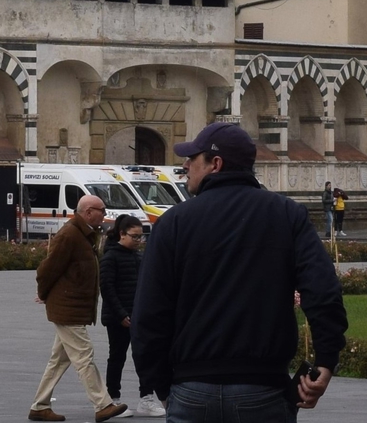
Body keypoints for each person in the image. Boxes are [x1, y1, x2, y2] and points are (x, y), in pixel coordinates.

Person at [134, 122, 347, 422]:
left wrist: (161, 385)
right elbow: (323, 292)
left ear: (215, 164)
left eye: (192, 158)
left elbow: (148, 313)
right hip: (262, 389)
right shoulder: (287, 215)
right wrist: (326, 361)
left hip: (191, 389)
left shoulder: (174, 223)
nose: (184, 165)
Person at [28, 191, 123, 423]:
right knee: (84, 355)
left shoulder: (85, 235)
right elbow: (47, 269)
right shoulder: (70, 235)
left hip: (73, 306)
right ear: (88, 212)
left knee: (59, 359)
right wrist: (43, 293)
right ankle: (103, 404)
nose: (104, 214)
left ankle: (40, 406)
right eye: (102, 210)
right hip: (66, 307)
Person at [100, 213, 159, 418]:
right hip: (118, 318)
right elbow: (107, 289)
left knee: (145, 356)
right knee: (117, 357)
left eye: (141, 236)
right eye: (134, 236)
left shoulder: (139, 257)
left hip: (139, 316)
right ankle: (112, 399)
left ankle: (146, 398)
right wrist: (121, 314)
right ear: (122, 234)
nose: (139, 240)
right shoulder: (110, 257)